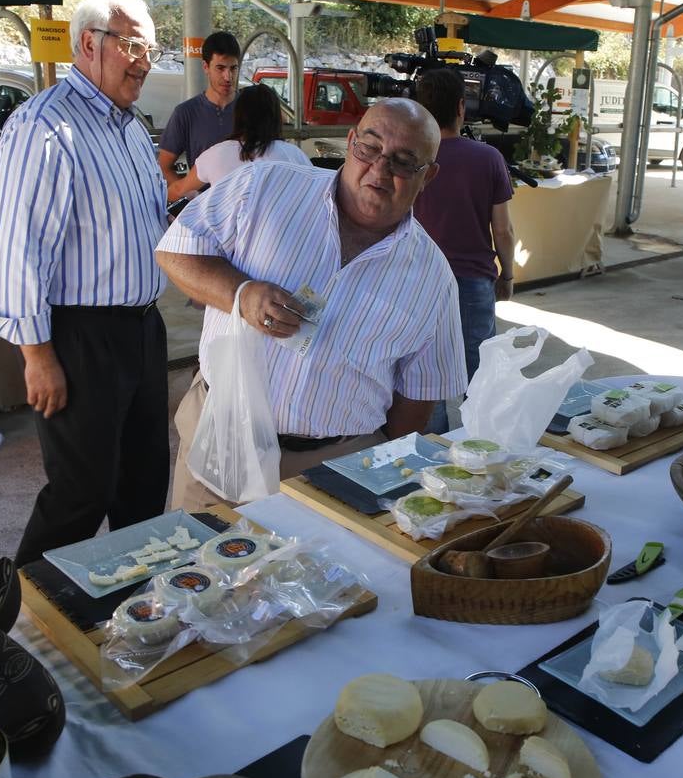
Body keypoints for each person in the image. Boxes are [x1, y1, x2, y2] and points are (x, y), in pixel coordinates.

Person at [155, 98, 467, 510]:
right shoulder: (263, 187)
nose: (379, 169)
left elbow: (418, 398)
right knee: (202, 549)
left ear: (428, 175)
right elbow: (175, 250)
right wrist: (241, 294)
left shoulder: (433, 279)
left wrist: (368, 471)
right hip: (223, 436)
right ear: (350, 142)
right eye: (369, 148)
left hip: (334, 468)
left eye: (404, 161)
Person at [0, 0, 169, 566]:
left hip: (142, 329)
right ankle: (20, 608)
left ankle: (138, 602)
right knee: (81, 492)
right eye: (133, 46)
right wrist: (37, 356)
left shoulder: (130, 128)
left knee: (144, 484)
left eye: (151, 50)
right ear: (89, 43)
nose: (144, 62)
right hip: (81, 337)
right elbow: (18, 247)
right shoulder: (46, 126)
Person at [411, 68, 516, 435]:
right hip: (473, 282)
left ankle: (432, 453)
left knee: (426, 377)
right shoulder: (488, 158)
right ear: (461, 107)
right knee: (480, 377)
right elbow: (502, 229)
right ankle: (481, 450)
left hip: (418, 282)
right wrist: (508, 274)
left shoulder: (410, 158)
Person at [167, 83, 308, 201]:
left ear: (238, 115)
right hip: (282, 226)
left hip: (228, 227)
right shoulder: (294, 155)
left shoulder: (216, 154)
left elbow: (178, 190)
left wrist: (199, 199)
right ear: (276, 117)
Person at [157, 31, 240, 188]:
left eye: (233, 68)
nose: (228, 77)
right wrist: (191, 195)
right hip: (205, 202)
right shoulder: (186, 113)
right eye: (220, 68)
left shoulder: (253, 109)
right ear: (205, 67)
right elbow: (162, 167)